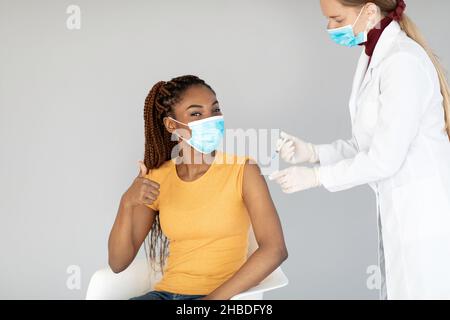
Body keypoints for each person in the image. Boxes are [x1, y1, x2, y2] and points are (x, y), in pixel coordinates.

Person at [270, 0, 450, 299]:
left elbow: (384, 159)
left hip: (426, 214)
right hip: (403, 208)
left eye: (336, 18)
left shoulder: (402, 62)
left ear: (368, 11)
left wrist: (317, 177)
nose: (329, 28)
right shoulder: (374, 56)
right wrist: (313, 152)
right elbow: (366, 145)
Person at [108, 75, 288, 300]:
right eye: (196, 113)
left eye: (215, 110)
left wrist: (209, 302)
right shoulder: (158, 178)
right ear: (172, 125)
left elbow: (275, 250)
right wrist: (127, 202)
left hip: (219, 297)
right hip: (163, 295)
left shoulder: (243, 170)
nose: (211, 119)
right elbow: (117, 263)